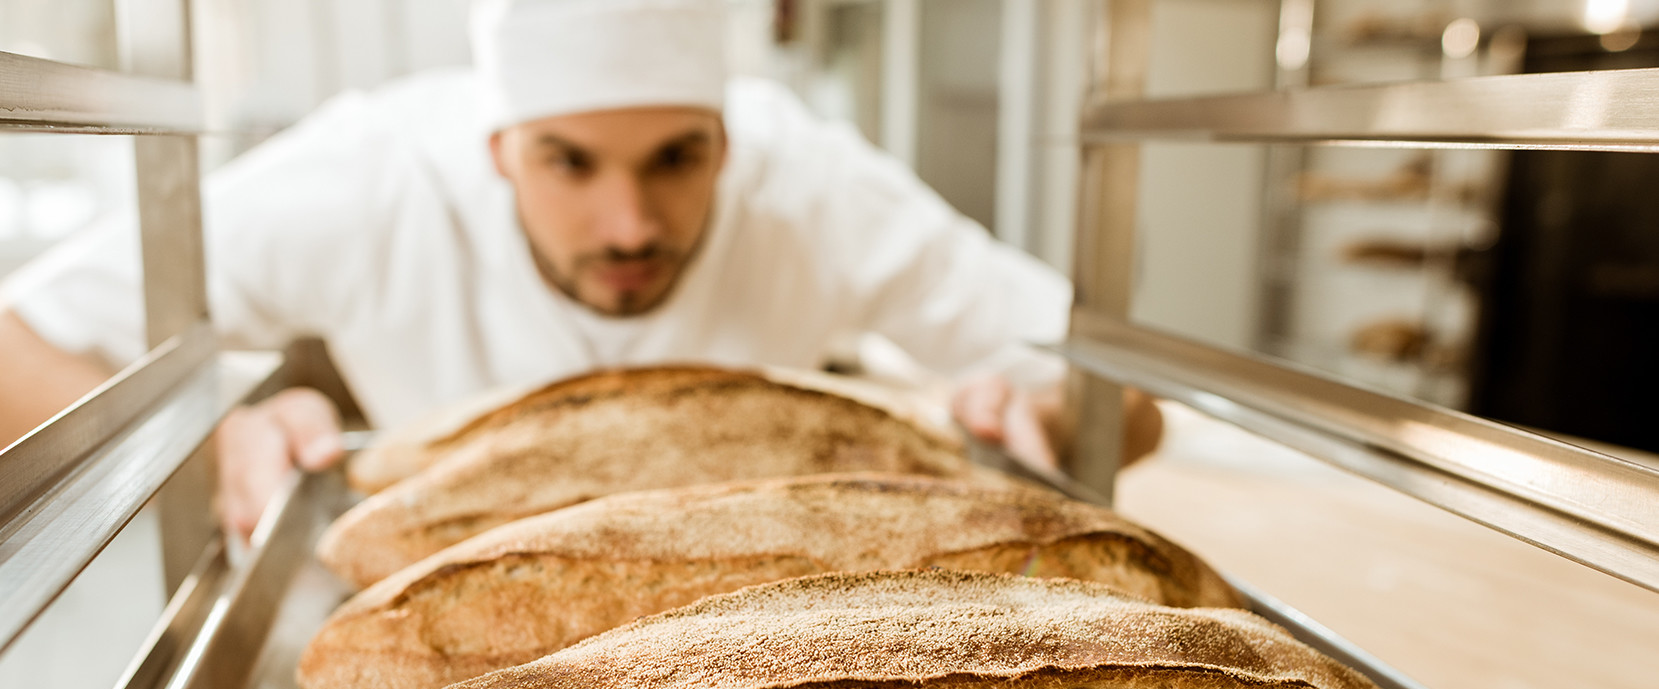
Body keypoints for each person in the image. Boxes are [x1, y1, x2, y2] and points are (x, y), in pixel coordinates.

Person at [0, 0, 1158, 535]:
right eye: (569, 163)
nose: (627, 224)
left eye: (675, 159)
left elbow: (1128, 402)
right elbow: (16, 345)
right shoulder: (369, 179)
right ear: (497, 148)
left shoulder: (808, 186)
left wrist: (1032, 411)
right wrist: (212, 442)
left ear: (730, 141)